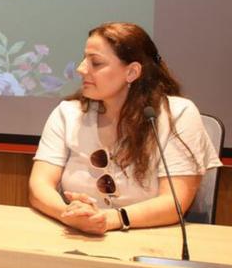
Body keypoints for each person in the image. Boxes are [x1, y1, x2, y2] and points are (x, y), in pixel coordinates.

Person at [29, 22, 222, 234]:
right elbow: (39, 186)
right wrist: (71, 215)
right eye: (84, 59)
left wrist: (109, 219)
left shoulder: (177, 115)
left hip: (150, 241)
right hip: (75, 235)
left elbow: (173, 202)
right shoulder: (68, 113)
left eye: (96, 63)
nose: (81, 69)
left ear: (132, 72)